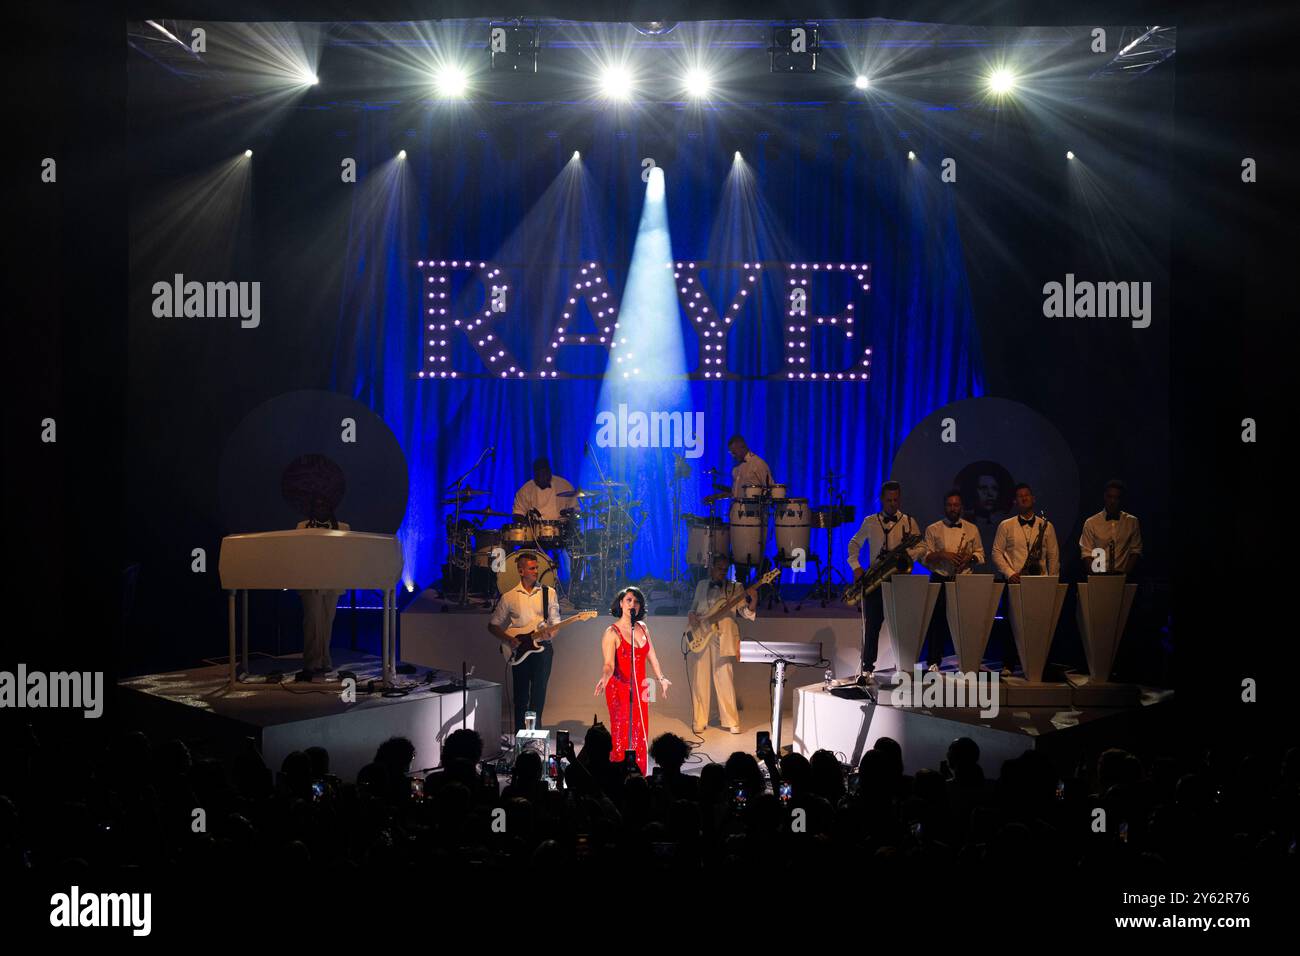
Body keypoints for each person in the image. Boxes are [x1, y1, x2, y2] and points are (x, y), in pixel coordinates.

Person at [846, 481, 926, 680]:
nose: (892, 504)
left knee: (902, 627)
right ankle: (867, 668)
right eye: (889, 500)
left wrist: (907, 554)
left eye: (896, 500)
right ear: (882, 499)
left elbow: (922, 546)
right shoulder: (871, 521)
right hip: (877, 579)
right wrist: (856, 566)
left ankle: (905, 666)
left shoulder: (908, 521)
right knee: (872, 626)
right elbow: (854, 543)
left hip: (901, 581)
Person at [594, 586, 670, 775]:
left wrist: (661, 678)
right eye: (628, 600)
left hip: (640, 688)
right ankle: (618, 775)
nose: (632, 605)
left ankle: (638, 775)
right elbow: (609, 664)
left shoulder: (643, 628)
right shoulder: (612, 632)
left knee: (639, 733)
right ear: (621, 603)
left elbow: (652, 655)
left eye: (636, 602)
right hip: (619, 688)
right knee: (621, 733)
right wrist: (604, 678)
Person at [991, 483, 1060, 676]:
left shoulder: (1047, 526)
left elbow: (1054, 556)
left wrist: (1051, 582)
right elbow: (996, 552)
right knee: (1011, 625)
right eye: (1019, 496)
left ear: (1033, 498)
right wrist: (1010, 573)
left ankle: (1039, 664)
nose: (1024, 498)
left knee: (1040, 624)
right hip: (1016, 581)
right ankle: (1008, 664)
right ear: (1015, 501)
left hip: (1041, 584)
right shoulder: (1006, 525)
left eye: (1027, 495)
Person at [488, 552, 560, 730]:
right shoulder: (509, 597)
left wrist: (550, 634)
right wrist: (509, 639)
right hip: (519, 650)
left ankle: (535, 735)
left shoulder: (548, 593)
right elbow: (493, 625)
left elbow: (555, 622)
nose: (536, 571)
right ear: (521, 571)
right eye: (532, 568)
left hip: (543, 650)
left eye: (536, 567)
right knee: (520, 696)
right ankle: (521, 734)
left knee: (538, 694)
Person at [687, 554, 758, 734]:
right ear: (711, 567)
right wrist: (692, 615)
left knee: (724, 678)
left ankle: (731, 720)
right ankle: (699, 720)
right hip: (701, 635)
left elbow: (745, 613)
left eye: (725, 569)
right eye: (719, 568)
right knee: (699, 679)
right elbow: (693, 607)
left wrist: (754, 600)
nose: (722, 572)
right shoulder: (702, 585)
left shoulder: (735, 588)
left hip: (723, 636)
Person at [920, 489, 986, 672]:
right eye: (949, 505)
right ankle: (934, 661)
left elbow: (981, 554)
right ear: (944, 507)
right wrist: (943, 555)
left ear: (962, 507)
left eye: (956, 505)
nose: (953, 508)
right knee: (936, 622)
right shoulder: (933, 529)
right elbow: (925, 557)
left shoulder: (972, 529)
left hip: (963, 579)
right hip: (940, 577)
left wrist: (969, 558)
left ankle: (968, 661)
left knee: (965, 621)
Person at [295, 495, 351, 678]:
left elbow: (346, 554)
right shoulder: (302, 526)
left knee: (327, 621)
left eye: (324, 503)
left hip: (333, 580)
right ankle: (311, 662)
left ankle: (324, 659)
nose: (321, 507)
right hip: (310, 580)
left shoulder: (343, 527)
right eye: (317, 504)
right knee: (312, 621)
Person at [1079, 479, 1142, 576]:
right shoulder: (1091, 523)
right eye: (1110, 497)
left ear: (1121, 499)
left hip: (1123, 576)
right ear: (1104, 497)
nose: (1112, 501)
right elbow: (1086, 553)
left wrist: (1125, 575)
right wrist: (1095, 577)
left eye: (1116, 498)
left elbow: (1135, 551)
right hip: (1099, 575)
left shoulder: (1131, 522)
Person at [512, 456, 575, 521]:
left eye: (544, 473)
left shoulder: (564, 486)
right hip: (534, 529)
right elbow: (518, 514)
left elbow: (575, 510)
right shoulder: (525, 490)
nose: (541, 477)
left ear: (550, 472)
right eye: (538, 474)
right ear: (534, 474)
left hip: (561, 528)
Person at [727, 434, 773, 500]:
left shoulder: (758, 463)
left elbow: (770, 488)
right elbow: (735, 494)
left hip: (754, 508)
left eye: (734, 452)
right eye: (731, 453)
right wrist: (718, 496)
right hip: (736, 508)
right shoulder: (735, 468)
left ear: (743, 447)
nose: (733, 456)